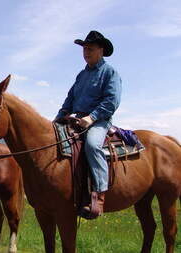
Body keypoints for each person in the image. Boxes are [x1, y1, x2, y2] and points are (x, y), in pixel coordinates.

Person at [55, 31, 122, 218]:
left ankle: (99, 194)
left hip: (99, 120)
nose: (86, 52)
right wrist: (58, 119)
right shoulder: (81, 75)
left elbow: (112, 101)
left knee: (92, 145)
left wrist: (91, 118)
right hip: (77, 119)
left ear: (101, 50)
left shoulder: (110, 72)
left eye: (90, 49)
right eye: (84, 49)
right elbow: (69, 100)